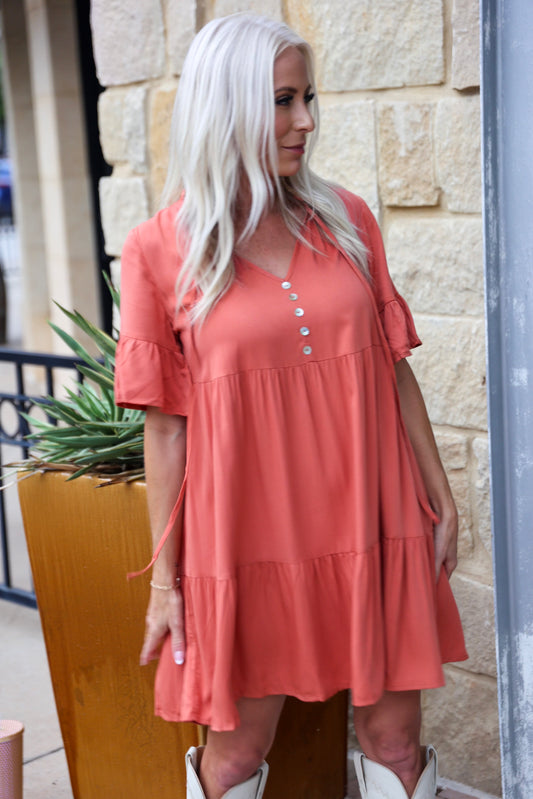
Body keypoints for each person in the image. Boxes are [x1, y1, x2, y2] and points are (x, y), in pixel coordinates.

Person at [115, 13, 467, 799]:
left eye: (308, 98)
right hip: (247, 534)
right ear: (228, 106)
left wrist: (436, 492)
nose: (305, 120)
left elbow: (391, 367)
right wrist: (168, 582)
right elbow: (165, 429)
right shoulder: (158, 249)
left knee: (395, 744)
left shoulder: (346, 219)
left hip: (372, 515)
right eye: (282, 100)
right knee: (236, 756)